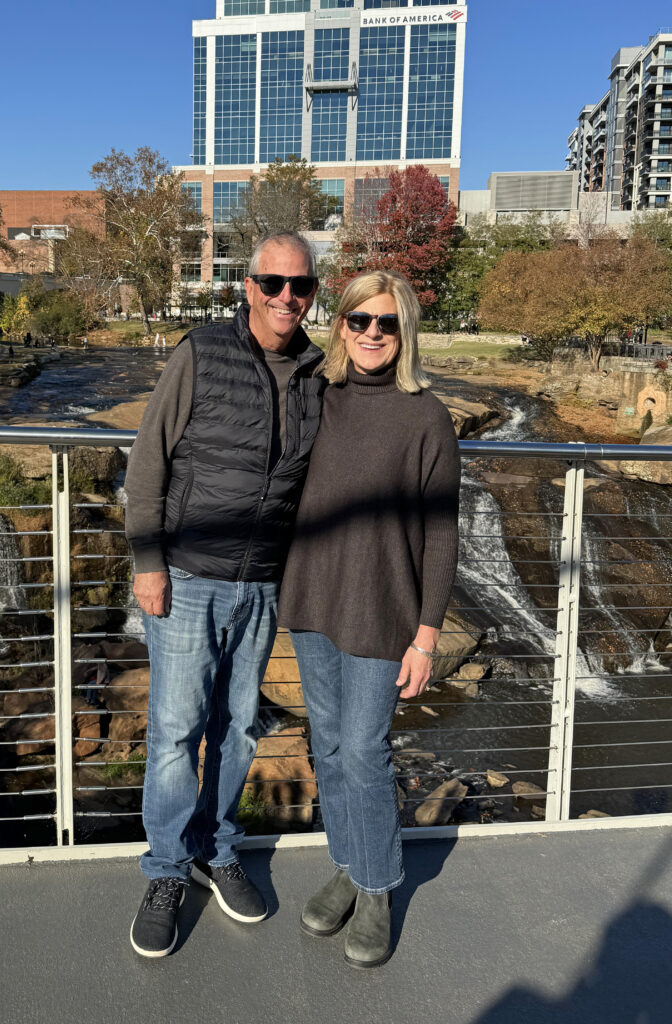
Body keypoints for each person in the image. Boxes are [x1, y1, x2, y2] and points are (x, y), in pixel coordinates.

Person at [124, 231, 324, 959]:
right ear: (249, 286)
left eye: (300, 286)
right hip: (187, 577)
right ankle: (167, 869)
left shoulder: (313, 371)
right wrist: (149, 562)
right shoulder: (202, 353)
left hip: (262, 584)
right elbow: (148, 459)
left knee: (238, 727)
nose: (286, 298)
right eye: (273, 283)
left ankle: (217, 849)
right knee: (176, 732)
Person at [278, 270, 461, 970]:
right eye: (360, 321)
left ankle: (379, 886)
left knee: (363, 751)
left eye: (386, 323)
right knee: (327, 748)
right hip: (314, 598)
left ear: (404, 330)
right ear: (341, 326)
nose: (372, 335)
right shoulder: (319, 397)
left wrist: (426, 635)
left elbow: (442, 534)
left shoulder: (427, 417)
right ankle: (350, 865)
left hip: (384, 609)